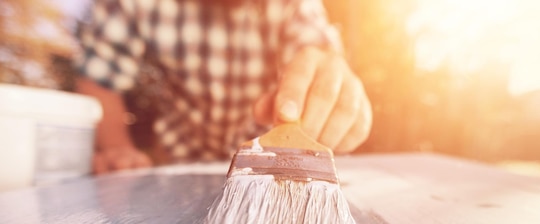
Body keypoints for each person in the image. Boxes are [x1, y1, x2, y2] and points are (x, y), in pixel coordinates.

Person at [75, 0, 372, 174]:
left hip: (266, 171)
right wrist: (117, 148)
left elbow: (317, 54)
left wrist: (332, 85)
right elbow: (100, 77)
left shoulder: (295, 4)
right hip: (179, 168)